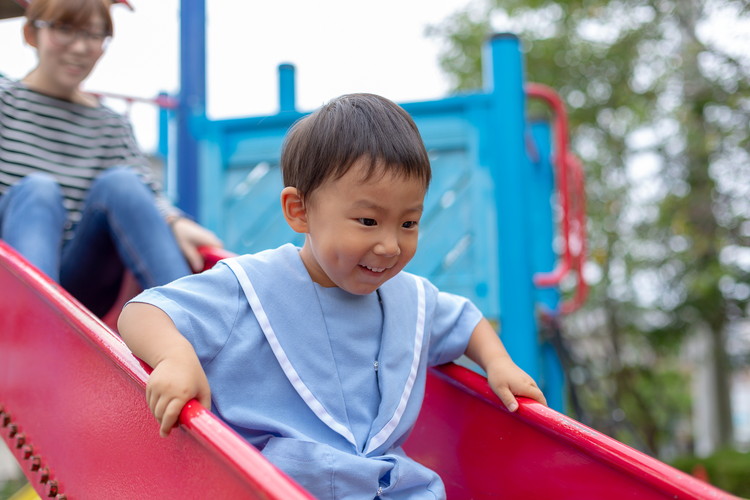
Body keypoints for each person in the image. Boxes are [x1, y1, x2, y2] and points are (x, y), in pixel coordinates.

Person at [118, 93, 546, 499]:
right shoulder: (248, 286)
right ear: (299, 211)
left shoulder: (408, 299)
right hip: (276, 486)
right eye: (367, 220)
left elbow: (464, 320)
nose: (390, 245)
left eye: (409, 223)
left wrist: (499, 363)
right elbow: (144, 312)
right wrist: (176, 357)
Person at [0, 0, 221, 317]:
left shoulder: (110, 125)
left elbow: (144, 190)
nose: (79, 47)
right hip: (11, 278)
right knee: (38, 191)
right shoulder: (5, 102)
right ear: (31, 34)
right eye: (64, 29)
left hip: (80, 283)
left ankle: (195, 324)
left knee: (122, 182)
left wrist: (173, 220)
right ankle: (35, 328)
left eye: (94, 35)